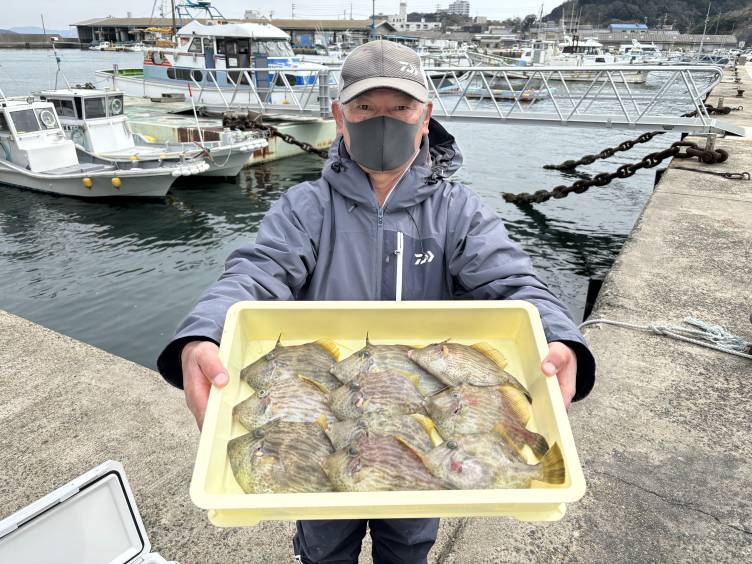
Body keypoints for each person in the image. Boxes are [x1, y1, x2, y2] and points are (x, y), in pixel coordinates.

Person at [157, 40, 596, 564]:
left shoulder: (459, 210)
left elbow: (513, 281)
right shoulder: (305, 206)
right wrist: (203, 332)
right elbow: (256, 272)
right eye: (365, 107)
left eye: (401, 108)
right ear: (339, 117)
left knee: (409, 538)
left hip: (416, 419)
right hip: (333, 413)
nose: (382, 121)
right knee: (323, 540)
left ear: (425, 117)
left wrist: (558, 336)